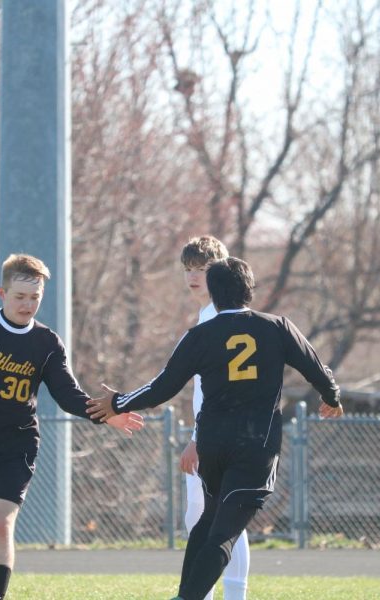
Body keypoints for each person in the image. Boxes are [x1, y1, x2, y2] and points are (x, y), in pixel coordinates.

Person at [87, 256, 344, 600]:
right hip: (255, 446)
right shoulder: (277, 327)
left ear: (213, 293)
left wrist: (119, 402)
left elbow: (162, 387)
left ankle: (184, 594)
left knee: (208, 520)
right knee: (224, 533)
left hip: (213, 445)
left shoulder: (199, 335)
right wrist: (332, 396)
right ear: (249, 289)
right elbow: (315, 367)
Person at [0, 253, 144, 600]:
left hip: (17, 445)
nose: (27, 304)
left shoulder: (47, 343)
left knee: (2, 524)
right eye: (20, 296)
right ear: (2, 294)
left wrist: (106, 413)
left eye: (34, 297)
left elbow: (68, 395)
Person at [177, 236, 250, 600]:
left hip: (219, 436)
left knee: (225, 520)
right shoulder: (206, 314)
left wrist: (197, 438)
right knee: (200, 515)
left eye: (202, 269)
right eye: (189, 269)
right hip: (219, 432)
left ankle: (231, 595)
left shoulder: (219, 318)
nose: (194, 276)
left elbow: (216, 391)